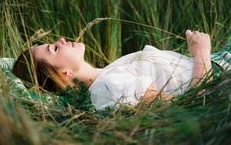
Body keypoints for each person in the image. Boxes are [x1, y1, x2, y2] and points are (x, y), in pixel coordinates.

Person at [13, 30, 213, 110]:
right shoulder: (110, 87)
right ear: (64, 74)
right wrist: (201, 54)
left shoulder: (107, 74)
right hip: (219, 74)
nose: (61, 40)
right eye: (54, 49)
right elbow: (193, 107)